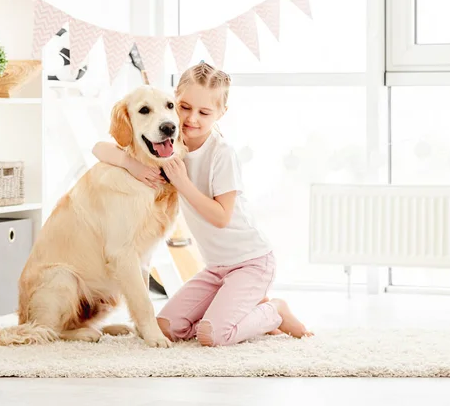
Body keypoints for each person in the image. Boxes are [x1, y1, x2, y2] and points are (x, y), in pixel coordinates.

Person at [92, 62, 312, 347]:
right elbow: (98, 148)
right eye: (184, 107)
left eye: (204, 112)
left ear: (221, 113)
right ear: (173, 102)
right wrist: (129, 164)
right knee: (165, 327)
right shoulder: (170, 141)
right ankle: (236, 309)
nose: (191, 119)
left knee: (213, 335)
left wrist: (182, 183)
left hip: (251, 262)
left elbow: (221, 217)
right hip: (216, 268)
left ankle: (274, 311)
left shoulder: (222, 154)